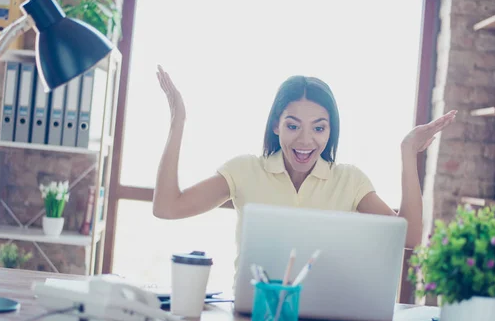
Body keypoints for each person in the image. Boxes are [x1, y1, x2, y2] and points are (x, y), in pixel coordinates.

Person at [153, 65, 456, 263]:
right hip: (254, 318)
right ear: (276, 126)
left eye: (319, 128)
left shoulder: (350, 181)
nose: (305, 140)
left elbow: (410, 237)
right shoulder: (244, 171)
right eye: (293, 125)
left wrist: (407, 153)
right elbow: (167, 207)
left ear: (331, 131)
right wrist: (177, 120)